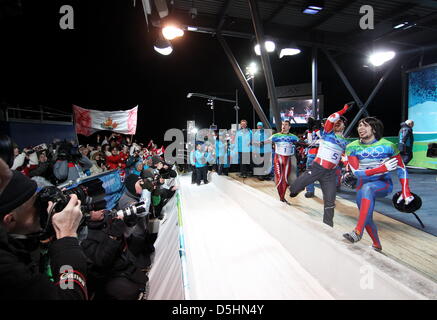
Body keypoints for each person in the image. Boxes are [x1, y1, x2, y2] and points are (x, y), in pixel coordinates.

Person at [0, 159, 88, 299]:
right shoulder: (8, 271)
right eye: (35, 206)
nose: (42, 208)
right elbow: (69, 294)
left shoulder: (14, 236)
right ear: (10, 220)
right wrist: (67, 237)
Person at [343, 117, 415, 251]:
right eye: (359, 126)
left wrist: (406, 191)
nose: (360, 128)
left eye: (365, 126)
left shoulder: (388, 145)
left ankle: (358, 232)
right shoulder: (352, 147)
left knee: (368, 188)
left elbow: (401, 168)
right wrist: (383, 168)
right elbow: (358, 173)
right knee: (366, 217)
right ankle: (377, 244)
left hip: (383, 184)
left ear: (374, 129)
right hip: (361, 186)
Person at [289, 103, 353, 226]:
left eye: (341, 122)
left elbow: (345, 157)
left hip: (330, 174)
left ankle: (328, 226)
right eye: (337, 121)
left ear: (345, 126)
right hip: (317, 167)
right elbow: (330, 119)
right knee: (295, 188)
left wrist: (349, 167)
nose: (338, 123)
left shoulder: (346, 142)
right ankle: (296, 189)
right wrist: (343, 110)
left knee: (330, 201)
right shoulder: (327, 133)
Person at [81, 209, 148, 300]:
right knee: (136, 293)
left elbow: (126, 237)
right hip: (111, 278)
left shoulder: (107, 217)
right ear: (87, 214)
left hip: (127, 265)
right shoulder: (83, 236)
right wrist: (113, 236)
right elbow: (102, 259)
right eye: (95, 210)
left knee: (147, 284)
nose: (101, 210)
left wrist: (130, 221)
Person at [264, 120, 299, 203]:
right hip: (278, 159)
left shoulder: (293, 137)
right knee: (280, 178)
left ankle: (282, 196)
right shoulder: (276, 136)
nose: (284, 126)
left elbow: (302, 142)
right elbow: (266, 141)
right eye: (283, 124)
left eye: (286, 125)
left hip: (287, 160)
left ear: (289, 127)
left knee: (285, 179)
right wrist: (256, 143)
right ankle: (282, 197)